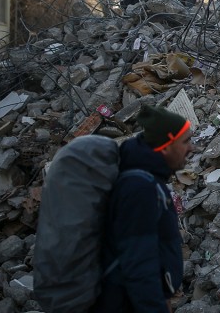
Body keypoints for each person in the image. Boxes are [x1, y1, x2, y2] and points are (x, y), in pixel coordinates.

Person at [93, 105, 193, 312]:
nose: (192, 148)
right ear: (165, 146)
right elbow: (139, 262)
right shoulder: (140, 188)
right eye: (185, 142)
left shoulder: (146, 179)